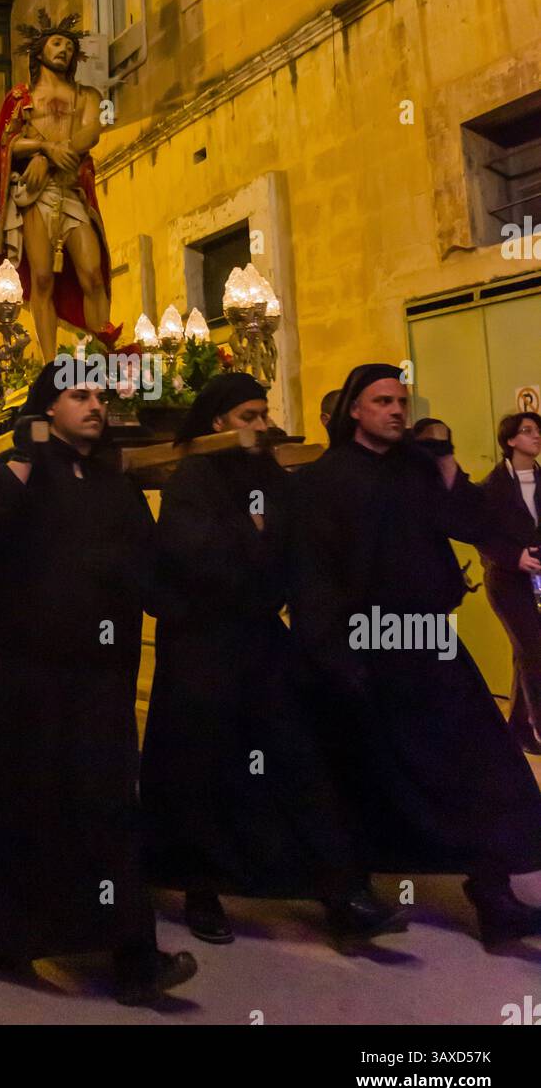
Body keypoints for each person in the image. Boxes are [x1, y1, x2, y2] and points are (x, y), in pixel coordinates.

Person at [0, 361, 196, 1006]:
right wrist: (24, 459)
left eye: (100, 395)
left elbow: (149, 572)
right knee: (13, 810)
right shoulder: (5, 474)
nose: (95, 405)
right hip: (13, 682)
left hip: (95, 683)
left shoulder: (113, 486)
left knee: (107, 812)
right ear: (46, 409)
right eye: (79, 395)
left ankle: (132, 955)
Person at [141, 373, 402, 947]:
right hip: (201, 647)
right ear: (217, 424)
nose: (262, 425)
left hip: (261, 639)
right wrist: (253, 541)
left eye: (263, 414)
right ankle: (201, 888)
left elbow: (294, 555)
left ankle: (342, 894)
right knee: (201, 769)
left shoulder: (268, 478)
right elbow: (194, 556)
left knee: (299, 760)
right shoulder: (194, 478)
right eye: (248, 416)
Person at [290, 364, 541, 950]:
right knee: (363, 774)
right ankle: (350, 903)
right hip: (365, 647)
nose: (397, 410)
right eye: (382, 401)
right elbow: (314, 576)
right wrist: (331, 655)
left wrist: (449, 467)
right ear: (355, 409)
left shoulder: (419, 470)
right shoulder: (322, 483)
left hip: (430, 642)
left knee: (482, 764)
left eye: (402, 401)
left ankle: (494, 895)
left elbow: (479, 523)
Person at [0, 10, 119, 360]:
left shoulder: (86, 95)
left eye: (70, 46)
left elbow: (91, 132)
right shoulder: (21, 98)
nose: (64, 50)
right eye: (56, 44)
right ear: (39, 52)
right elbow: (9, 144)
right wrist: (42, 148)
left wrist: (54, 154)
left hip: (71, 193)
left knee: (92, 274)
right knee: (41, 278)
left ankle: (104, 353)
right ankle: (50, 362)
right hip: (35, 197)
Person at [478, 412, 541, 753]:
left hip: (539, 579)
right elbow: (482, 536)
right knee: (534, 651)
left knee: (525, 652)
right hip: (507, 581)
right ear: (511, 441)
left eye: (538, 431)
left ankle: (516, 729)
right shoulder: (492, 487)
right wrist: (514, 556)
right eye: (527, 431)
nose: (536, 436)